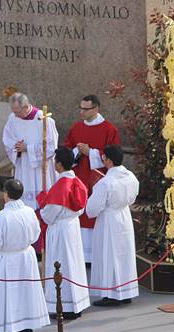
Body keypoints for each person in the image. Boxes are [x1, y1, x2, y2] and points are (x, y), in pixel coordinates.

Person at [0, 179, 49, 332]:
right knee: (25, 292)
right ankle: (27, 327)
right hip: (26, 256)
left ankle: (11, 331)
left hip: (8, 259)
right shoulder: (29, 212)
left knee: (11, 294)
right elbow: (36, 234)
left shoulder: (1, 217)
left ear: (6, 194)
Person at [64, 95, 120, 264]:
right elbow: (67, 149)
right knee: (81, 213)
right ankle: (82, 256)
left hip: (99, 180)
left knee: (96, 213)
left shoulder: (109, 129)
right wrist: (76, 152)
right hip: (80, 178)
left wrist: (93, 153)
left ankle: (97, 255)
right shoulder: (76, 128)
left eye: (85, 109)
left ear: (96, 109)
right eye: (80, 108)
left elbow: (115, 155)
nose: (81, 112)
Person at [2, 92, 58, 256]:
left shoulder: (44, 120)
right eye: (13, 111)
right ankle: (26, 242)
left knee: (40, 206)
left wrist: (29, 149)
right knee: (24, 205)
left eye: (18, 111)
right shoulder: (13, 118)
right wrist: (16, 147)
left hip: (41, 170)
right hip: (23, 168)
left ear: (26, 107)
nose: (15, 114)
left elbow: (51, 146)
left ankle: (42, 246)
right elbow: (7, 139)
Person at [37, 147, 90, 320]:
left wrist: (43, 202)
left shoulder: (61, 187)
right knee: (73, 264)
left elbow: (49, 214)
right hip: (73, 227)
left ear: (58, 164)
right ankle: (77, 303)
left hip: (60, 230)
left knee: (62, 265)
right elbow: (81, 208)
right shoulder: (77, 182)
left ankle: (64, 305)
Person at [86, 145, 139, 306]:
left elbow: (92, 209)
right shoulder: (131, 176)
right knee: (124, 255)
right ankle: (126, 291)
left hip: (108, 220)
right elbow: (133, 198)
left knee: (108, 255)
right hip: (124, 216)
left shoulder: (105, 182)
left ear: (108, 160)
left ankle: (110, 295)